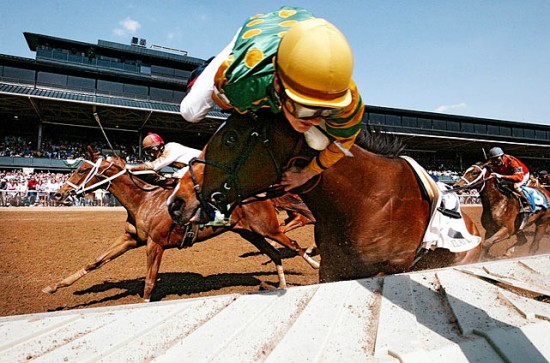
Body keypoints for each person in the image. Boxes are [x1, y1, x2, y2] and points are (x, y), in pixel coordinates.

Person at [180, 6, 364, 192]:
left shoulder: (349, 101)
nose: (315, 121)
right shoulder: (242, 85)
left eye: (326, 110)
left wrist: (306, 174)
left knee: (319, 142)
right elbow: (235, 112)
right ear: (277, 83)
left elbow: (344, 142)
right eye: (305, 109)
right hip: (258, 32)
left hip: (304, 32)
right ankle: (233, 45)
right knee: (190, 112)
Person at [126, 133, 201, 179]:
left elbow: (154, 166)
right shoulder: (166, 150)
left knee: (177, 176)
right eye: (148, 152)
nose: (151, 154)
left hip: (204, 164)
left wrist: (131, 167)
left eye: (152, 150)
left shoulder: (171, 148)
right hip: (197, 166)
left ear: (160, 147)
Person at [487, 146, 532, 213]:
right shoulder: (492, 162)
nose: (496, 162)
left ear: (502, 156)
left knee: (516, 186)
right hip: (508, 174)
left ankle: (527, 204)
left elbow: (519, 177)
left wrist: (501, 176)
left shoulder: (512, 162)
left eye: (497, 159)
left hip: (523, 175)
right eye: (494, 160)